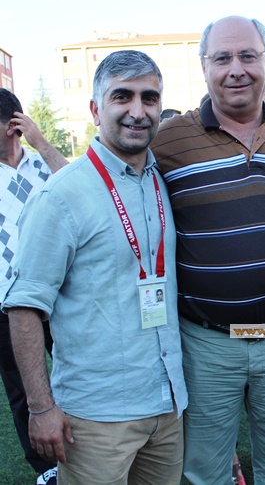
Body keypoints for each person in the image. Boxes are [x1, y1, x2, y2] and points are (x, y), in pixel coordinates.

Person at [151, 16, 265, 485]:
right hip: (207, 343)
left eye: (248, 56)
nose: (236, 69)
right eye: (223, 58)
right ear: (204, 66)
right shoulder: (168, 141)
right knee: (205, 474)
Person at [4, 50, 188, 484]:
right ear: (95, 109)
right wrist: (40, 407)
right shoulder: (60, 195)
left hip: (167, 405)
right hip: (96, 417)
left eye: (149, 98)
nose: (138, 111)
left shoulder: (162, 181)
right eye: (122, 96)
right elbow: (24, 307)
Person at [0, 89, 68, 485]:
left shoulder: (43, 164)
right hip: (5, 302)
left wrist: (42, 143)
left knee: (74, 372)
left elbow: (87, 190)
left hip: (58, 296)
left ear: (13, 125)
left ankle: (88, 447)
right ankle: (47, 469)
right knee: (21, 388)